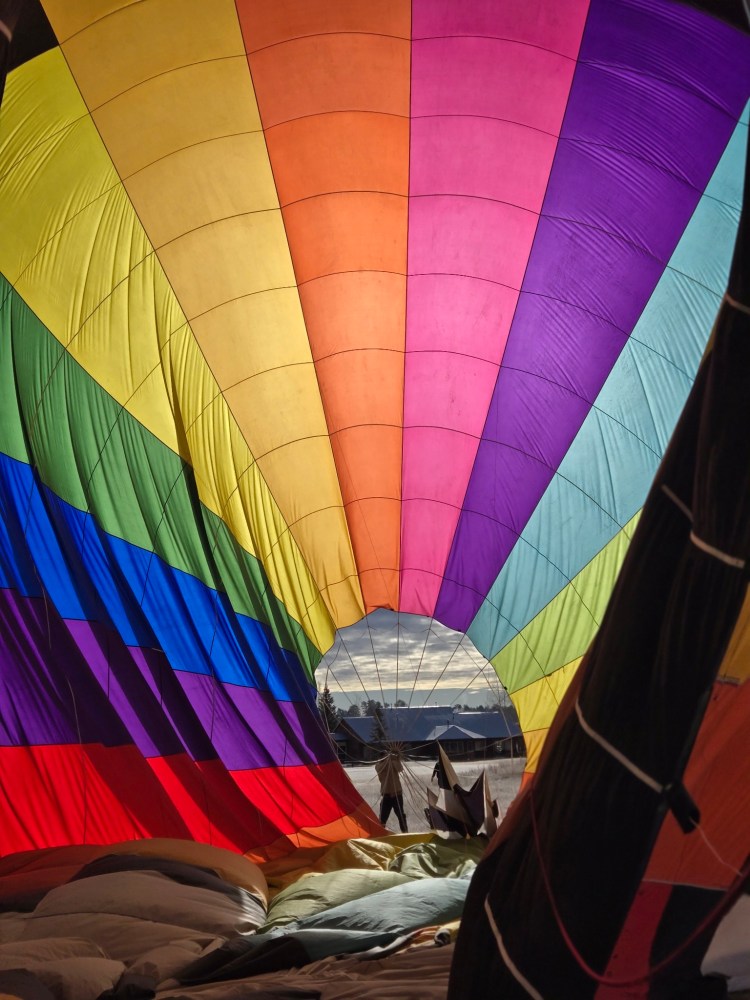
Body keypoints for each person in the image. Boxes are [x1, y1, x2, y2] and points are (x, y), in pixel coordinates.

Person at [375, 751, 408, 832]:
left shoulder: (392, 762)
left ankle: (405, 833)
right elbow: (382, 767)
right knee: (382, 818)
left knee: (401, 816)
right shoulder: (378, 765)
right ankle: (380, 834)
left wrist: (397, 759)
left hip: (397, 794)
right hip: (386, 795)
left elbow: (400, 769)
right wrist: (389, 759)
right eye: (384, 757)